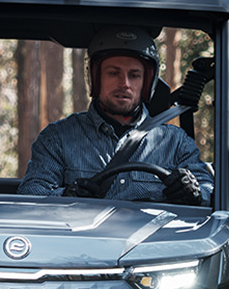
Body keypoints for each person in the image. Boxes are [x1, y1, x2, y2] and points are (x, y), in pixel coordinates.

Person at [17, 26, 213, 206]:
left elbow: (210, 192)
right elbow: (30, 194)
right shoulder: (58, 137)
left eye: (134, 75)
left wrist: (194, 192)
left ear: (147, 83)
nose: (124, 83)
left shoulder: (176, 143)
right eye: (113, 73)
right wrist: (67, 196)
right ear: (95, 78)